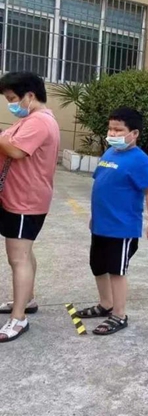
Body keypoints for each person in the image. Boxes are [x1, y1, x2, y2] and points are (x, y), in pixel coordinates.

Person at [76, 108, 148, 335]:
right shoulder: (109, 153)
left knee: (116, 270)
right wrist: (95, 216)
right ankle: (106, 304)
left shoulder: (140, 160)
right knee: (98, 266)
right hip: (101, 225)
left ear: (134, 133)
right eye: (110, 129)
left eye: (119, 130)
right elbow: (102, 186)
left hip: (121, 228)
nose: (112, 133)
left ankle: (119, 314)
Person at [0, 72, 59, 343]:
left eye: (12, 98)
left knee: (18, 258)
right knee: (24, 253)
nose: (10, 104)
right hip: (20, 198)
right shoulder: (32, 119)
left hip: (25, 201)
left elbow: (15, 150)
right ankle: (27, 299)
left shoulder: (39, 122)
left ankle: (19, 318)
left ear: (30, 96)